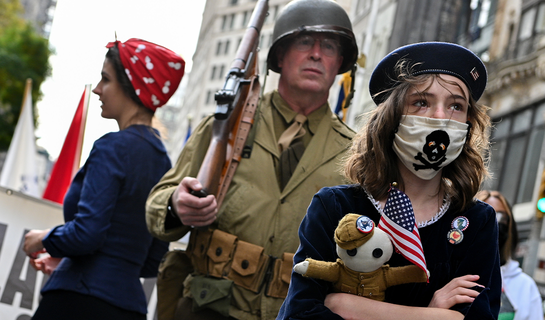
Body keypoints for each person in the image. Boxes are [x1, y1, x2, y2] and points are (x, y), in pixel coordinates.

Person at [144, 0, 359, 319]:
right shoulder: (228, 125)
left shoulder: (355, 154)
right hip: (209, 308)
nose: (316, 53)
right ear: (279, 56)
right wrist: (177, 204)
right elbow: (157, 206)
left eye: (328, 46)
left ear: (339, 61)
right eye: (304, 42)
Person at [277, 41, 501, 320]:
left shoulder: (477, 223)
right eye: (421, 102)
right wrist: (431, 315)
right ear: (392, 117)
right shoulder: (333, 206)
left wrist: (343, 306)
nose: (441, 117)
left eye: (456, 105)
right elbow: (301, 314)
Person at [22, 38, 184, 320]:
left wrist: (43, 238)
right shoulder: (164, 162)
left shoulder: (112, 147)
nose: (97, 89)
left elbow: (87, 233)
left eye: (105, 79)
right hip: (128, 307)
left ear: (132, 87)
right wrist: (71, 259)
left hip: (75, 303)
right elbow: (153, 257)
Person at [476, 190, 543, 320]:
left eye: (502, 217)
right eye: (487, 214)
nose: (495, 222)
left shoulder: (526, 287)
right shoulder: (452, 273)